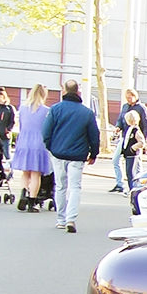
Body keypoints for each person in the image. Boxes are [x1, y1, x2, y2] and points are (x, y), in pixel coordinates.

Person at [40, 79, 100, 233]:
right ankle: (71, 219)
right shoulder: (87, 113)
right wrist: (93, 153)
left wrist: (50, 147)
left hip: (58, 154)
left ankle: (60, 219)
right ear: (78, 91)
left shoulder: (55, 109)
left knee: (60, 186)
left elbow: (46, 132)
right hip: (77, 156)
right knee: (75, 187)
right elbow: (94, 135)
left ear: (64, 91)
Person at [11, 85, 53, 211]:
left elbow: (21, 126)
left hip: (24, 142)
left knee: (25, 172)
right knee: (36, 174)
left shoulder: (23, 109)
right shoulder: (46, 110)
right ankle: (31, 202)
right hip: (39, 143)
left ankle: (23, 193)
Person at [110, 87, 147, 193]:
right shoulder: (125, 106)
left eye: (130, 97)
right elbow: (120, 119)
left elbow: (146, 125)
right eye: (126, 98)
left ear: (135, 96)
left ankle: (138, 186)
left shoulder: (141, 108)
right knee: (115, 160)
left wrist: (143, 142)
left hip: (135, 139)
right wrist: (118, 126)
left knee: (136, 164)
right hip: (124, 137)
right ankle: (120, 184)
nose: (128, 100)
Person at [119, 109, 146, 192]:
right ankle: (132, 188)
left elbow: (141, 142)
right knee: (129, 172)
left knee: (131, 173)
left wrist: (132, 148)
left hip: (132, 154)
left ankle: (133, 189)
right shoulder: (130, 129)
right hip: (128, 154)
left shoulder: (136, 130)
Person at [0, 88, 15, 159]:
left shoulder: (9, 108)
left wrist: (8, 130)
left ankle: (10, 168)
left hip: (5, 135)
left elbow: (12, 121)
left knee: (6, 153)